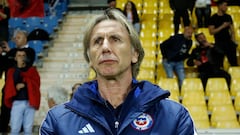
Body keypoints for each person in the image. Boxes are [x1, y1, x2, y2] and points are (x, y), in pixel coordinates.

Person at [40, 9, 196, 134]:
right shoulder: (58, 122)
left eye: (115, 39)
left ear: (135, 53)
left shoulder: (174, 117)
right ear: (90, 58)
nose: (106, 47)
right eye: (97, 41)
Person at [4, 48, 41, 135]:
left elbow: (36, 84)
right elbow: (10, 85)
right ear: (15, 58)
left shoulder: (32, 70)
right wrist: (19, 68)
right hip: (17, 102)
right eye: (19, 56)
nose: (21, 58)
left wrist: (25, 83)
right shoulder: (11, 71)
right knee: (15, 128)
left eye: (23, 55)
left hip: (30, 102)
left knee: (28, 129)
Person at [208, 0, 238, 68]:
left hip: (229, 42)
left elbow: (232, 30)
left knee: (234, 63)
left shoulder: (228, 17)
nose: (226, 7)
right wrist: (222, 26)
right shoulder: (213, 18)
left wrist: (233, 41)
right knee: (219, 64)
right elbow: (211, 32)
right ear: (219, 6)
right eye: (224, 5)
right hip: (219, 43)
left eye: (226, 5)